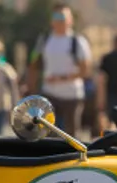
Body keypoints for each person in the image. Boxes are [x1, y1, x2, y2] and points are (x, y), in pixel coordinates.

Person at [26, 2, 93, 134]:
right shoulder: (44, 40)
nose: (59, 21)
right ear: (51, 20)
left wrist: (61, 78)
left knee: (71, 135)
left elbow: (85, 70)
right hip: (49, 94)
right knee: (48, 133)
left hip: (72, 95)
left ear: (70, 20)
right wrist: (31, 89)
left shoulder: (78, 41)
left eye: (63, 17)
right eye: (56, 17)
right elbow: (33, 63)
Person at [97, 34, 117, 124]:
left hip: (111, 92)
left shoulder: (107, 58)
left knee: (112, 120)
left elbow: (101, 79)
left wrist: (101, 99)